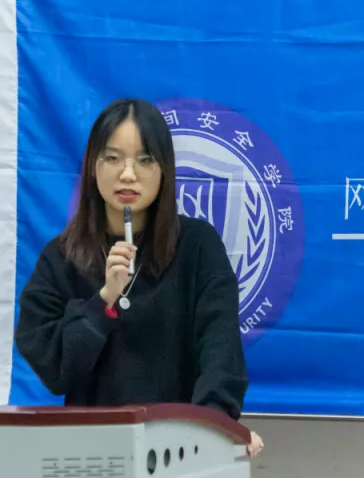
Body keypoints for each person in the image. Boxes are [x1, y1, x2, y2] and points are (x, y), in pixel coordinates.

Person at [14, 98, 264, 457]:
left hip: (179, 451)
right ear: (93, 166)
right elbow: (55, 370)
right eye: (113, 158)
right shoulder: (61, 256)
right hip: (90, 453)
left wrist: (213, 426)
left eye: (145, 159)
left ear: (164, 169)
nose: (128, 174)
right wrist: (103, 301)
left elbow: (220, 351)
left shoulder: (198, 246)